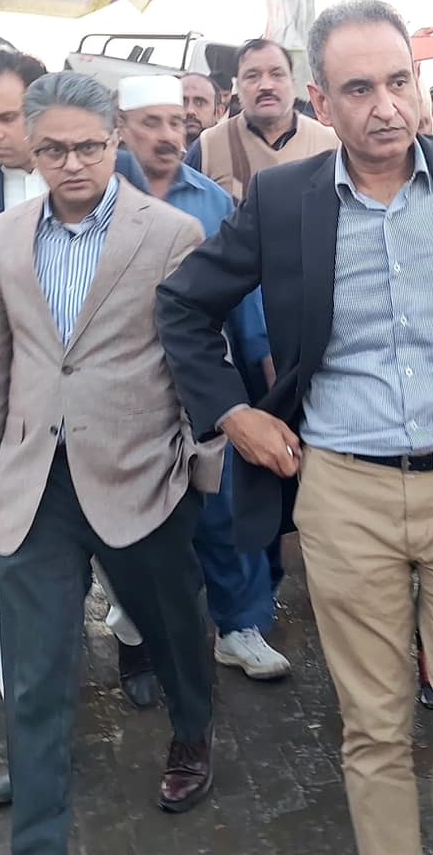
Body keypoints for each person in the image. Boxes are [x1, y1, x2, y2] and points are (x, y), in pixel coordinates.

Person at [157, 0, 433, 855]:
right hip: (342, 488)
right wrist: (234, 413)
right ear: (321, 99)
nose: (387, 107)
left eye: (399, 82)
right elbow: (182, 306)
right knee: (375, 724)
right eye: (359, 90)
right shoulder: (284, 200)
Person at [0, 72, 219, 852]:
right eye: (54, 151)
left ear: (115, 141)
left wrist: (198, 472)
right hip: (33, 484)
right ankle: (39, 838)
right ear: (31, 151)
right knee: (35, 673)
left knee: (172, 631)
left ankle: (193, 730)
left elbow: (198, 359)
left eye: (89, 148)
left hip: (143, 478)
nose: (72, 164)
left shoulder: (169, 234)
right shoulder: (5, 238)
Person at [0, 50, 160, 808]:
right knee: (9, 594)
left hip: (107, 434)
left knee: (128, 567)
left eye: (6, 117)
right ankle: (34, 750)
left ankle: (140, 644)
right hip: (10, 431)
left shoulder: (120, 181)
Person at [115, 73, 292, 682]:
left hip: (202, 383)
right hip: (125, 389)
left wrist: (262, 366)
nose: (168, 135)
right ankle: (139, 631)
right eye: (152, 124)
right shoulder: (98, 199)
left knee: (223, 507)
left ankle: (239, 627)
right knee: (136, 514)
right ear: (121, 129)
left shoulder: (212, 203)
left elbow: (242, 296)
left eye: (176, 122)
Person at [185, 38, 340, 200]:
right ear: (238, 88)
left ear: (293, 84)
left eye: (277, 74)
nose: (266, 86)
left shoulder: (332, 144)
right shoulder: (208, 147)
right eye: (252, 76)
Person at [179, 71, 223, 148]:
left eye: (199, 103)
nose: (190, 111)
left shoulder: (231, 153)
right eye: (182, 103)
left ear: (218, 112)